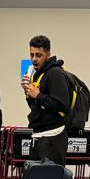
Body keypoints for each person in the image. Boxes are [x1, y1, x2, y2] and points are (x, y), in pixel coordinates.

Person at [22, 35, 73, 165]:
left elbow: (62, 105)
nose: (34, 59)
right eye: (32, 55)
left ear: (48, 54)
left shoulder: (55, 73)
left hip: (53, 136)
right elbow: (38, 108)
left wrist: (38, 95)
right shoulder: (39, 74)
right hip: (39, 135)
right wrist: (28, 93)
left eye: (38, 55)